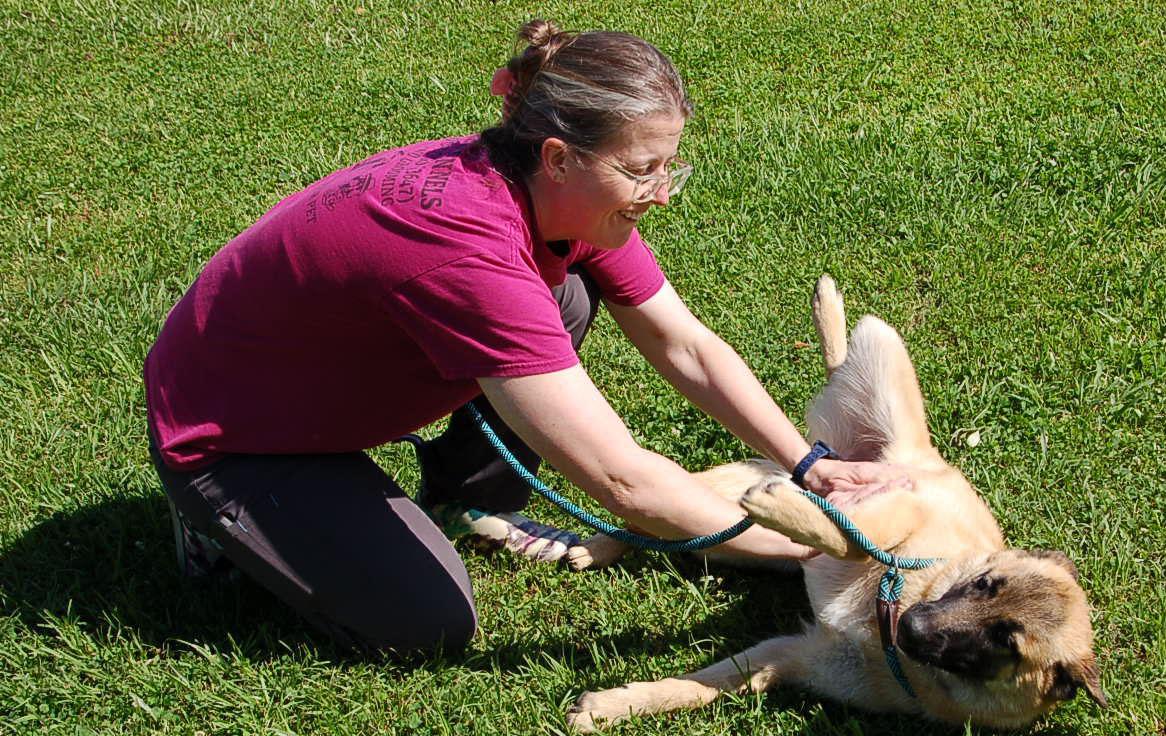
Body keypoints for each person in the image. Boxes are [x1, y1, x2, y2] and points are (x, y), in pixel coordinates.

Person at [144, 20, 898, 655]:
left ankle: (465, 501)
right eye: (644, 169)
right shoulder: (468, 251)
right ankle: (218, 527)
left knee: (562, 295)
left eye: (671, 165)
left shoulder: (555, 192)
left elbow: (684, 345)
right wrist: (803, 550)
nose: (664, 193)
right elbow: (623, 481)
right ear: (559, 157)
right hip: (228, 434)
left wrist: (809, 465)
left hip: (307, 381)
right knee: (427, 622)